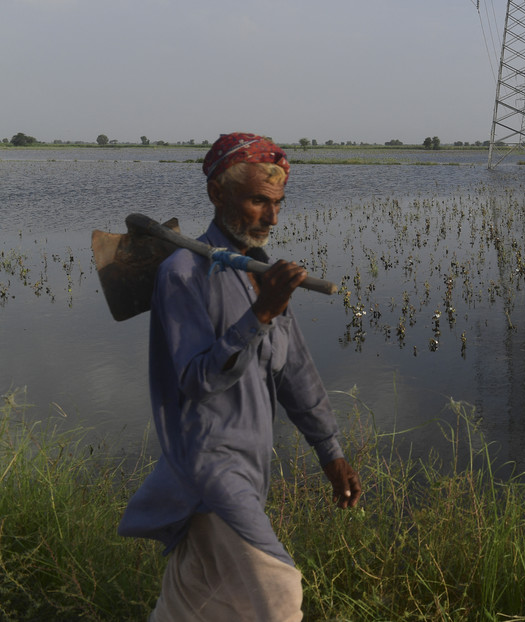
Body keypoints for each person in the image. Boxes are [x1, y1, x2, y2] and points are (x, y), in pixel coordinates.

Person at [119, 132, 361, 621]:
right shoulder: (182, 273)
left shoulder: (260, 271)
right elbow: (196, 381)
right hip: (208, 464)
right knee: (279, 592)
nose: (271, 217)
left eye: (277, 204)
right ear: (217, 194)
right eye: (258, 201)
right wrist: (260, 314)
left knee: (197, 600)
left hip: (249, 463)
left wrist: (331, 452)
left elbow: (297, 374)